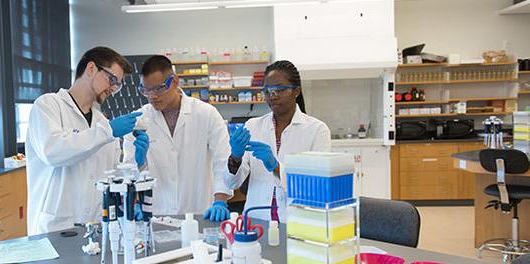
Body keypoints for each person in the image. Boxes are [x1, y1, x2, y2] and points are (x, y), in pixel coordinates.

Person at [25, 46, 140, 235]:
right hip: (56, 226)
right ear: (91, 69)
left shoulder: (102, 122)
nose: (113, 88)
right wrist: (108, 131)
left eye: (117, 85)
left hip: (94, 226)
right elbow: (53, 152)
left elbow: (110, 176)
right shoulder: (48, 105)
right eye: (112, 79)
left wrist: (136, 161)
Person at [122, 55, 233, 221]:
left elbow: (222, 160)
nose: (152, 96)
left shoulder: (206, 114)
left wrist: (220, 201)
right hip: (154, 213)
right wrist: (135, 198)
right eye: (146, 90)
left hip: (199, 210)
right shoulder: (137, 120)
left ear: (174, 82)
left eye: (158, 89)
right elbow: (128, 169)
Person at [225, 60, 331, 222]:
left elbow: (318, 185)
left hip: (298, 220)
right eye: (267, 91)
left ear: (296, 91)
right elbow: (232, 183)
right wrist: (235, 158)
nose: (272, 96)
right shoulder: (253, 126)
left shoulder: (317, 130)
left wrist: (276, 167)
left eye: (279, 90)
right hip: (257, 218)